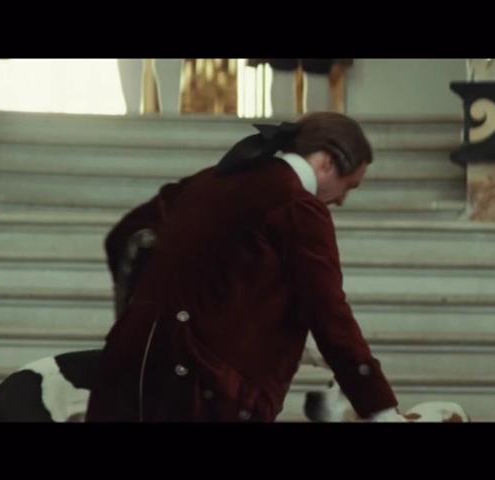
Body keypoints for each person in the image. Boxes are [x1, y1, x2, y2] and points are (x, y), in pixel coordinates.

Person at [85, 112, 402, 422]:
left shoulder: (207, 180)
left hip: (129, 372)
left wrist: (151, 314)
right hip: (202, 393)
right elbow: (329, 311)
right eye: (349, 186)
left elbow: (124, 235)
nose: (342, 200)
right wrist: (380, 408)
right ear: (327, 162)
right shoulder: (297, 205)